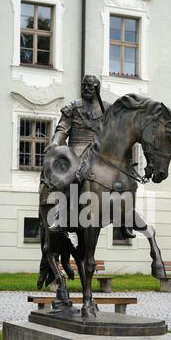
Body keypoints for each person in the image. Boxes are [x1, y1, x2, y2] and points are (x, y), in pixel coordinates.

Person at [37, 74, 134, 289]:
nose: (86, 89)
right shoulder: (73, 108)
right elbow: (62, 130)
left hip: (101, 151)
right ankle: (61, 213)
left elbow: (117, 133)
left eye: (90, 86)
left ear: (98, 88)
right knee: (73, 173)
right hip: (78, 148)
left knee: (127, 179)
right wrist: (55, 143)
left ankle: (126, 218)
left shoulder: (107, 109)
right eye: (84, 86)